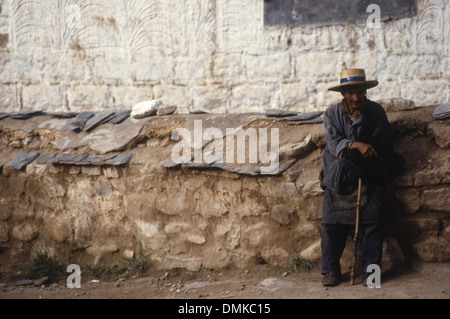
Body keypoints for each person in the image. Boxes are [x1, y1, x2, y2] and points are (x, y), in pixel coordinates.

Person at [320, 68, 403, 287]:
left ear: (365, 92)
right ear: (343, 94)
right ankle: (330, 272)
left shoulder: (376, 112)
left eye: (359, 92)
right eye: (350, 93)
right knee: (331, 223)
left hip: (369, 172)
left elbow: (384, 141)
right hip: (339, 172)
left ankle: (371, 273)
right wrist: (354, 145)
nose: (355, 97)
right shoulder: (331, 114)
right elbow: (333, 141)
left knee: (373, 222)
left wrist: (366, 156)